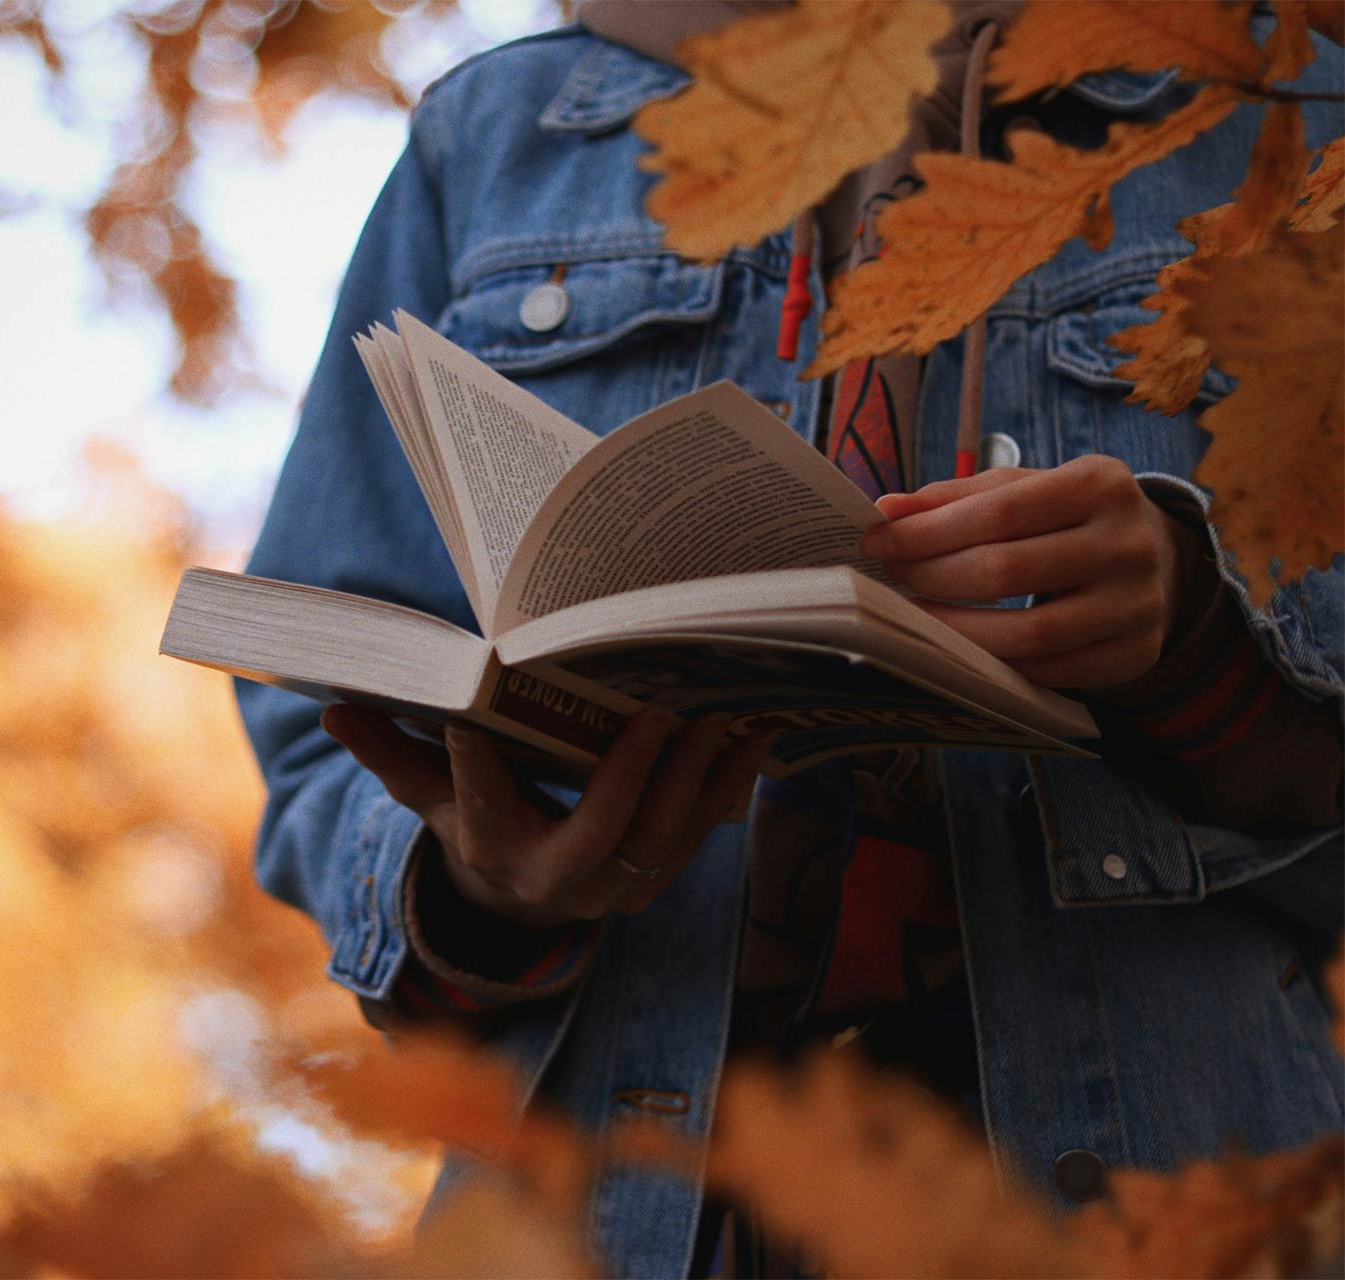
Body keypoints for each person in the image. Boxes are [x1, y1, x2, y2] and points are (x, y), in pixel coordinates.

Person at [235, 6, 1344, 1276]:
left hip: (1169, 1197)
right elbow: (323, 712)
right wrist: (482, 886)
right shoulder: (498, 134)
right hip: (606, 1212)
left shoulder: (1293, 116)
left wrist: (1198, 648)